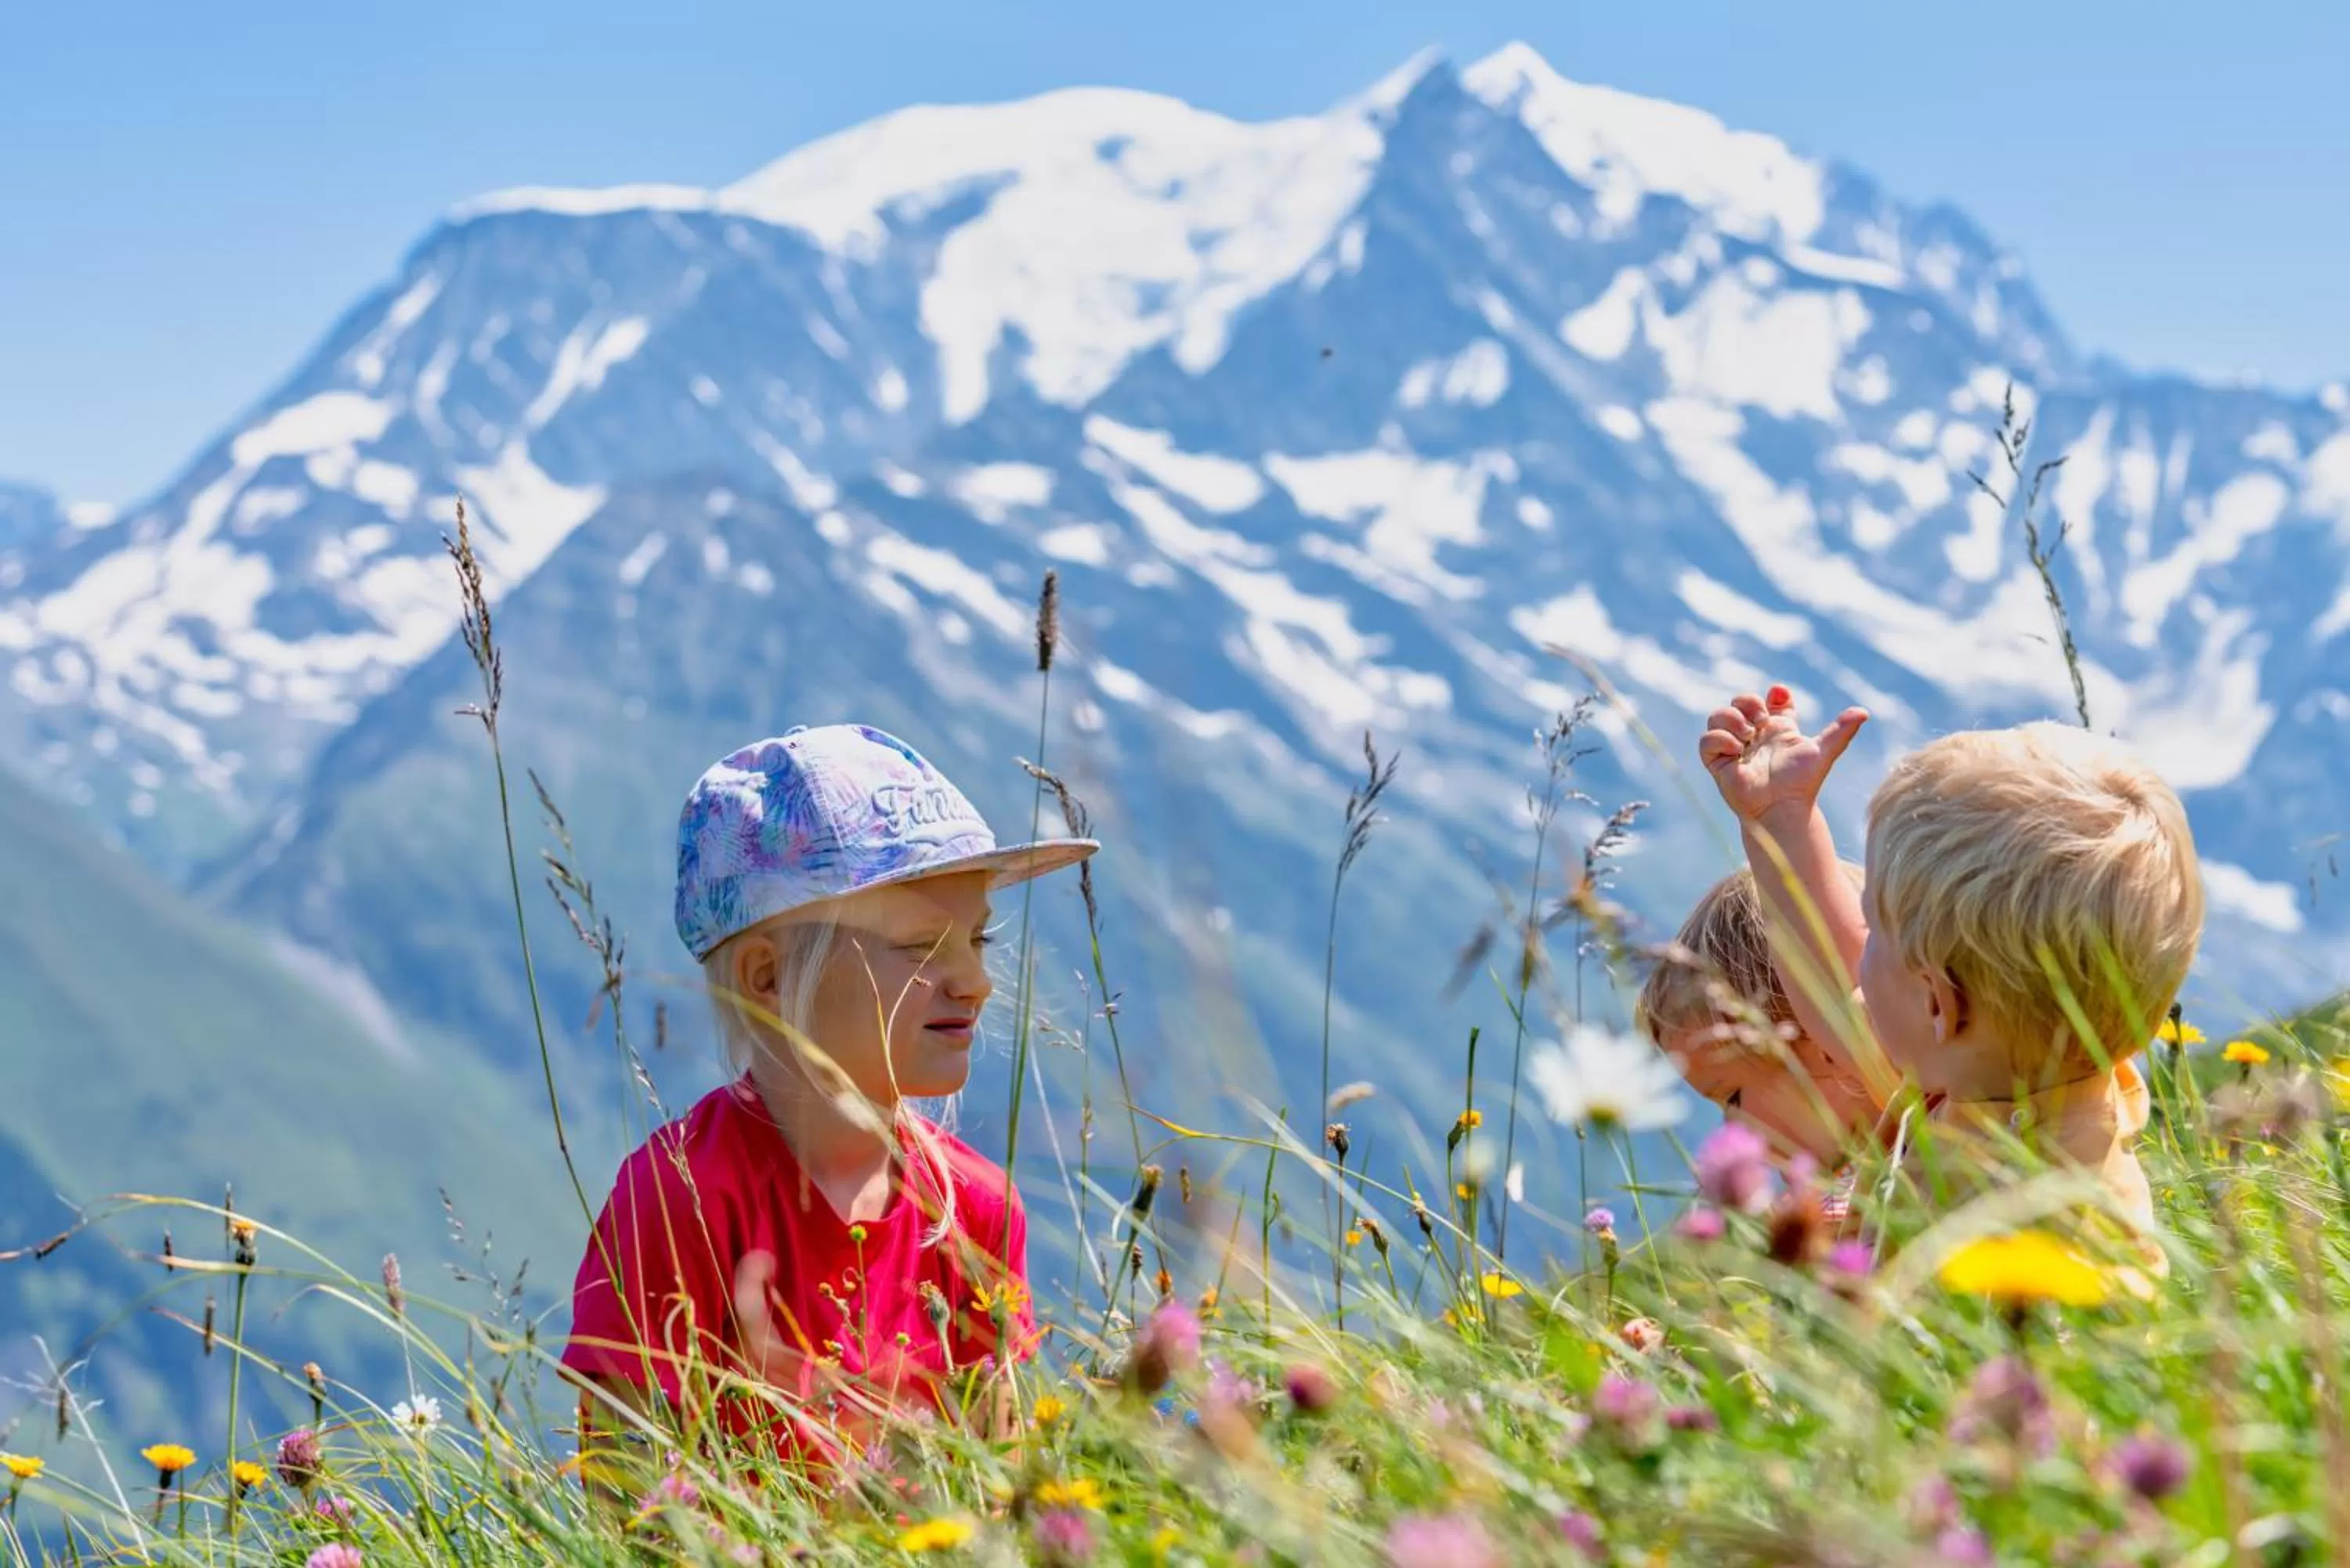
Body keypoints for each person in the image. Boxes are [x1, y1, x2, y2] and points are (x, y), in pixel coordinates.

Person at [560, 724, 1096, 1469]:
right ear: (766, 977)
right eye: (919, 946)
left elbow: (997, 1491)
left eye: (978, 941)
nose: (975, 982)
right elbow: (625, 1510)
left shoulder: (977, 1211)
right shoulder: (680, 1199)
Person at [1697, 685, 2200, 1252]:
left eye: (1874, 930)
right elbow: (1836, 989)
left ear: (1938, 1003)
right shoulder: (1970, 1073)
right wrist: (1779, 820)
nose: (1859, 960)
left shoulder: (2064, 1228)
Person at [1636, 863, 1878, 1167]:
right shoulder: (1866, 1188)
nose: (1729, 1130)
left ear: (1821, 1039)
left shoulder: (1942, 1135)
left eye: (1733, 1096)